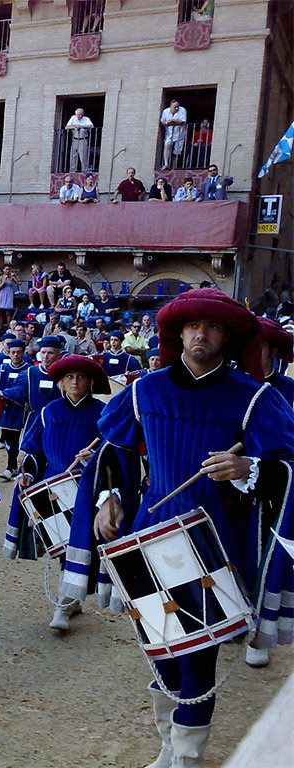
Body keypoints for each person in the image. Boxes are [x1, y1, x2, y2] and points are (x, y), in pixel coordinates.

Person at [92, 289, 294, 767]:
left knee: (198, 653)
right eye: (193, 326)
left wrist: (249, 469)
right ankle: (168, 746)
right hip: (148, 531)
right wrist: (109, 496)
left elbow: (287, 464)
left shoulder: (256, 398)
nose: (201, 334)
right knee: (158, 645)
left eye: (214, 327)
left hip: (214, 539)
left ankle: (186, 757)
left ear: (228, 337)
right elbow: (113, 450)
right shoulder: (144, 390)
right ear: (177, 333)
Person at [14, 356, 110, 631]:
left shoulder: (102, 414)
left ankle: (64, 603)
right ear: (60, 383)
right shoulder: (48, 412)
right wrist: (28, 473)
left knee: (77, 545)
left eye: (81, 377)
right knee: (59, 547)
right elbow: (33, 450)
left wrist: (94, 456)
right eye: (69, 377)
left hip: (86, 490)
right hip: (53, 487)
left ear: (91, 382)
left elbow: (113, 454)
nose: (75, 382)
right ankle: (71, 598)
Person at [0, 340, 29, 481]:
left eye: (19, 352)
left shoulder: (28, 370)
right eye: (13, 352)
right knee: (6, 438)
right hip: (4, 409)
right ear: (8, 353)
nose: (16, 355)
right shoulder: (2, 368)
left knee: (14, 440)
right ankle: (11, 466)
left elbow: (20, 390)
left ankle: (11, 466)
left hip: (19, 410)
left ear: (23, 353)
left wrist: (3, 393)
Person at [160, 99, 189, 171]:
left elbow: (182, 121)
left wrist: (173, 122)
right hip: (169, 133)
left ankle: (174, 167)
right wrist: (166, 123)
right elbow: (162, 122)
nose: (176, 108)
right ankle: (166, 163)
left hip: (180, 134)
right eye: (175, 107)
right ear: (170, 106)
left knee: (177, 151)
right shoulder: (165, 111)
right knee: (167, 145)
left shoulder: (182, 110)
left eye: (177, 107)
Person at [65, 107, 94, 173]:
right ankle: (72, 171)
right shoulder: (73, 118)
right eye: (78, 115)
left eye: (81, 115)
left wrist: (81, 126)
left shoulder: (86, 119)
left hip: (83, 140)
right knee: (73, 156)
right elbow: (67, 127)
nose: (79, 116)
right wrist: (74, 127)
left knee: (83, 156)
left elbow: (91, 126)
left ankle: (85, 171)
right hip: (75, 139)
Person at [0, 266, 19, 331]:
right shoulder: (0, 278)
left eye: (8, 269)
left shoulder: (11, 278)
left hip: (9, 294)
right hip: (2, 294)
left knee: (8, 312)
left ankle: (9, 327)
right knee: (0, 312)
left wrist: (16, 276)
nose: (7, 271)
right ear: (3, 270)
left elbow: (19, 283)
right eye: (6, 269)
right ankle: (0, 327)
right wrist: (3, 281)